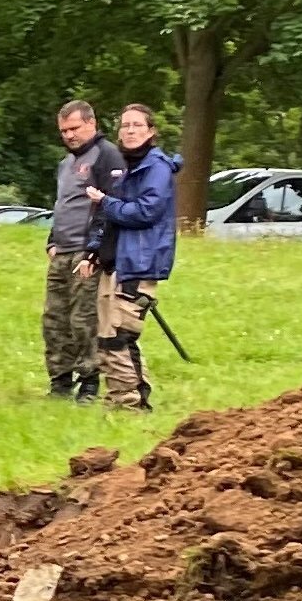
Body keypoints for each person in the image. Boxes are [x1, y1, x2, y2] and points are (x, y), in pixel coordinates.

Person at [84, 103, 180, 411]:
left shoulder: (156, 167)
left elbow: (145, 211)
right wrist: (94, 252)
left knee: (120, 336)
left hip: (139, 263)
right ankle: (117, 398)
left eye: (137, 125)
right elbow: (107, 218)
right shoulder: (120, 167)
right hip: (113, 262)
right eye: (125, 125)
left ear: (151, 131)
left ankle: (133, 404)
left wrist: (106, 202)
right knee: (105, 336)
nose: (130, 130)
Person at [39, 100, 122, 400]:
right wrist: (51, 240)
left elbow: (110, 205)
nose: (69, 135)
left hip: (87, 253)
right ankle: (59, 381)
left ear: (92, 123)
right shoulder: (66, 163)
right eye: (64, 131)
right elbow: (63, 205)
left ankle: (89, 381)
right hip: (61, 251)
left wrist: (95, 250)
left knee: (82, 319)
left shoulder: (107, 156)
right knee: (54, 319)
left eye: (74, 128)